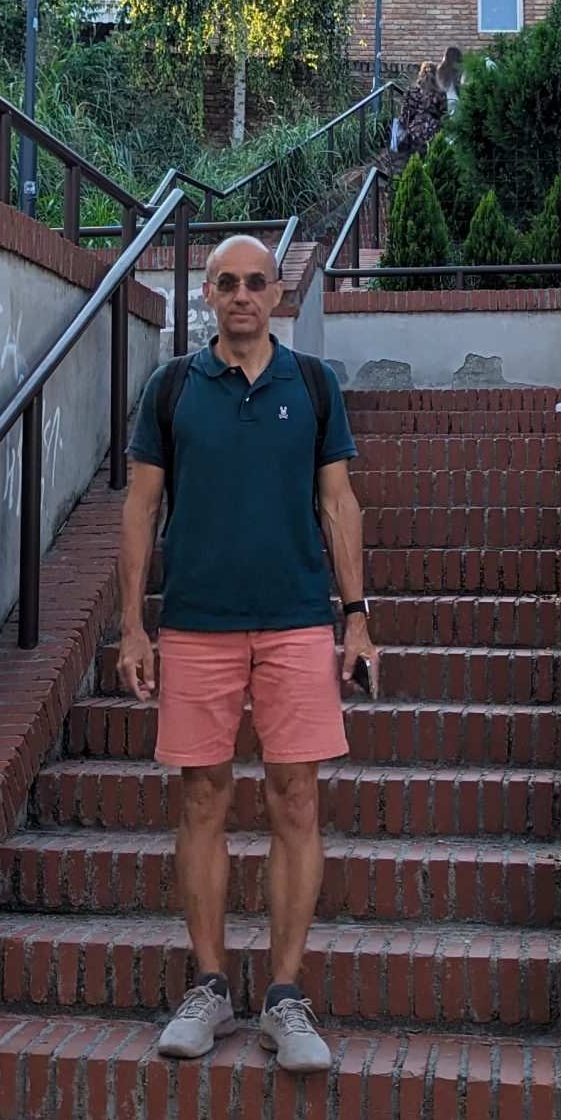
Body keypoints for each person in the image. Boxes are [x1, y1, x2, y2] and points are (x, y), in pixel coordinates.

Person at [117, 232, 377, 1074]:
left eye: (255, 282)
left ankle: (286, 998)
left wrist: (357, 618)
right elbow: (139, 509)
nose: (241, 296)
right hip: (197, 623)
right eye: (226, 283)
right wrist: (132, 625)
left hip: (297, 620)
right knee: (203, 800)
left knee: (296, 800)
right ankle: (209, 987)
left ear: (276, 293)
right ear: (207, 293)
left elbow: (339, 505)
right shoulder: (170, 389)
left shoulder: (314, 385)